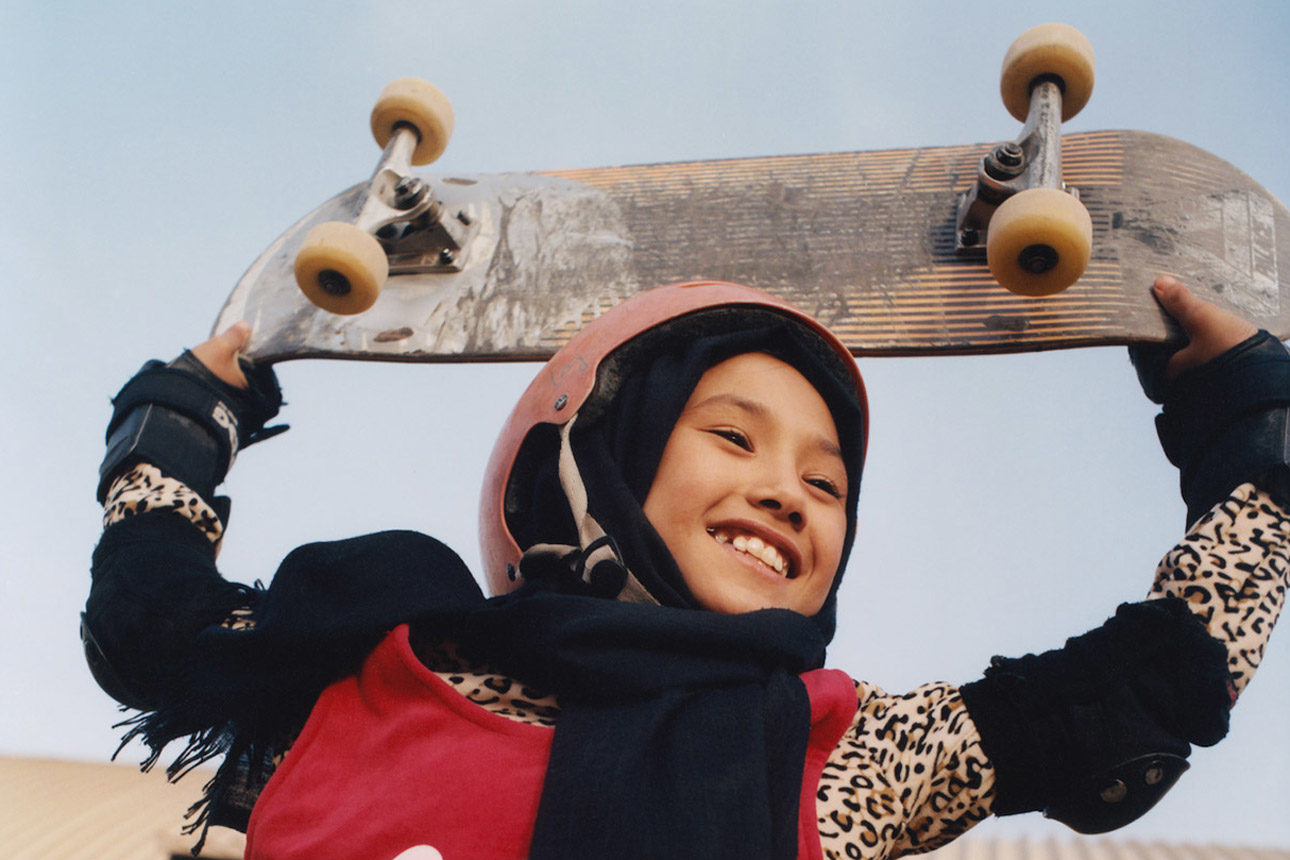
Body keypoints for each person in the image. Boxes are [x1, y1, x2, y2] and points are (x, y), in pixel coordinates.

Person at [83, 275, 1290, 860]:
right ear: (592, 466)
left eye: (829, 483)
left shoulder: (825, 752)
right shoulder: (362, 674)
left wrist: (1254, 434)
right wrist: (184, 421)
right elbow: (152, 615)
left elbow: (1151, 679)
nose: (787, 491)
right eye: (731, 436)